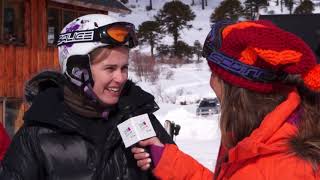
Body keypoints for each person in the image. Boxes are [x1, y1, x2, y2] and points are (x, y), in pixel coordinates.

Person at [132, 20, 320, 179]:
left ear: (236, 91)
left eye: (214, 74)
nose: (211, 83)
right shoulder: (270, 134)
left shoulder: (279, 167)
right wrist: (167, 161)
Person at [0, 14, 174, 179]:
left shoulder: (139, 119)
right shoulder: (37, 134)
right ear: (77, 70)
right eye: (110, 69)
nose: (121, 78)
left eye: (124, 68)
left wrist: (162, 166)